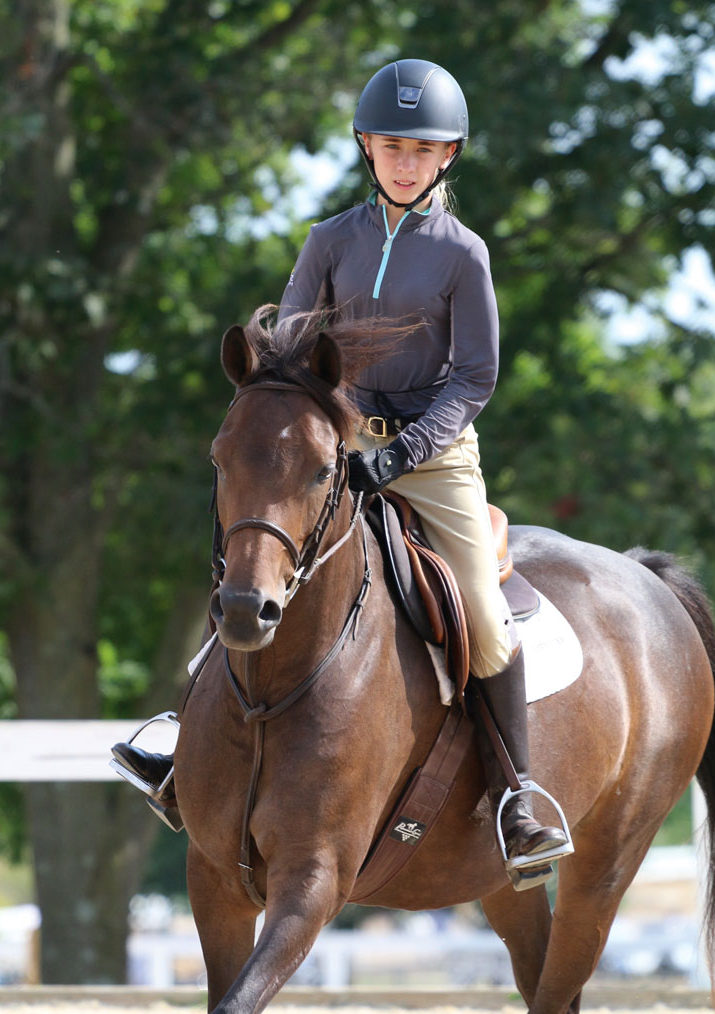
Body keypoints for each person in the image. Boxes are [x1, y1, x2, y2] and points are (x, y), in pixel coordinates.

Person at [112, 58, 572, 887]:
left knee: (479, 602)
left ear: (447, 157)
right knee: (256, 560)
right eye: (392, 144)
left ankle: (520, 798)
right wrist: (310, 420)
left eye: (422, 148)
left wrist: (401, 453)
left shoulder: (464, 254)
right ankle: (183, 741)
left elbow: (474, 378)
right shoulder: (331, 240)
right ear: (367, 146)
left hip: (434, 454)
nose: (405, 160)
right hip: (332, 444)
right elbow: (291, 348)